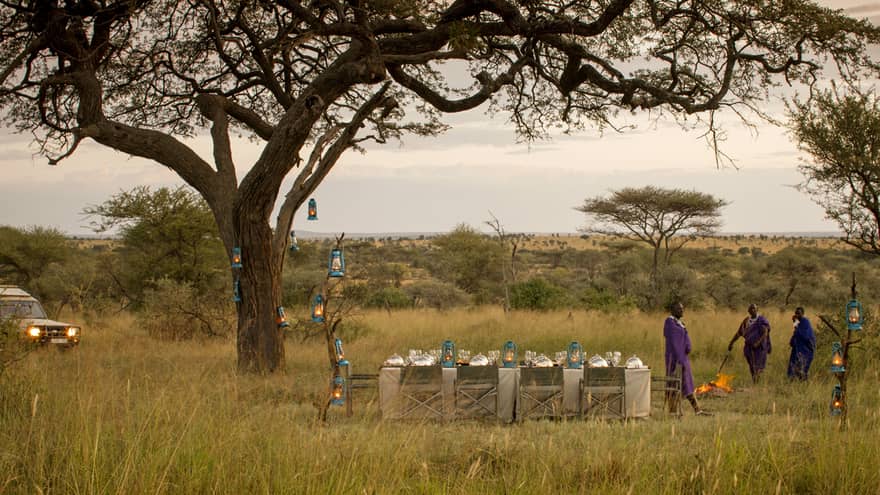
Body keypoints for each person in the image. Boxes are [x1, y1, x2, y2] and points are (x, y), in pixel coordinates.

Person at [664, 302, 709, 415]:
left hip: (683, 359)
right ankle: (673, 411)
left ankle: (697, 410)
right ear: (672, 310)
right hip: (675, 360)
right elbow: (675, 343)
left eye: (683, 309)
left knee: (687, 384)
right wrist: (680, 361)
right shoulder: (670, 323)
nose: (682, 311)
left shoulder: (679, 323)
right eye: (679, 309)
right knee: (674, 384)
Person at [728, 303, 772, 383]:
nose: (752, 310)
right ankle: (754, 380)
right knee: (751, 365)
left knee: (757, 365)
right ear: (748, 310)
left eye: (754, 308)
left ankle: (757, 382)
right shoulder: (746, 321)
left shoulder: (762, 320)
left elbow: (765, 332)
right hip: (749, 347)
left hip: (759, 348)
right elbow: (739, 333)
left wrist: (757, 343)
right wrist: (731, 343)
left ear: (757, 309)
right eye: (750, 309)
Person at [787, 306, 816, 380]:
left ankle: (803, 385)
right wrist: (792, 341)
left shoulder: (805, 322)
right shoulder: (799, 323)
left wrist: (795, 323)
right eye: (796, 313)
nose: (797, 315)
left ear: (802, 314)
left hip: (806, 350)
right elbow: (796, 333)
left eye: (798, 313)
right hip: (798, 349)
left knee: (802, 369)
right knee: (793, 369)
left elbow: (804, 336)